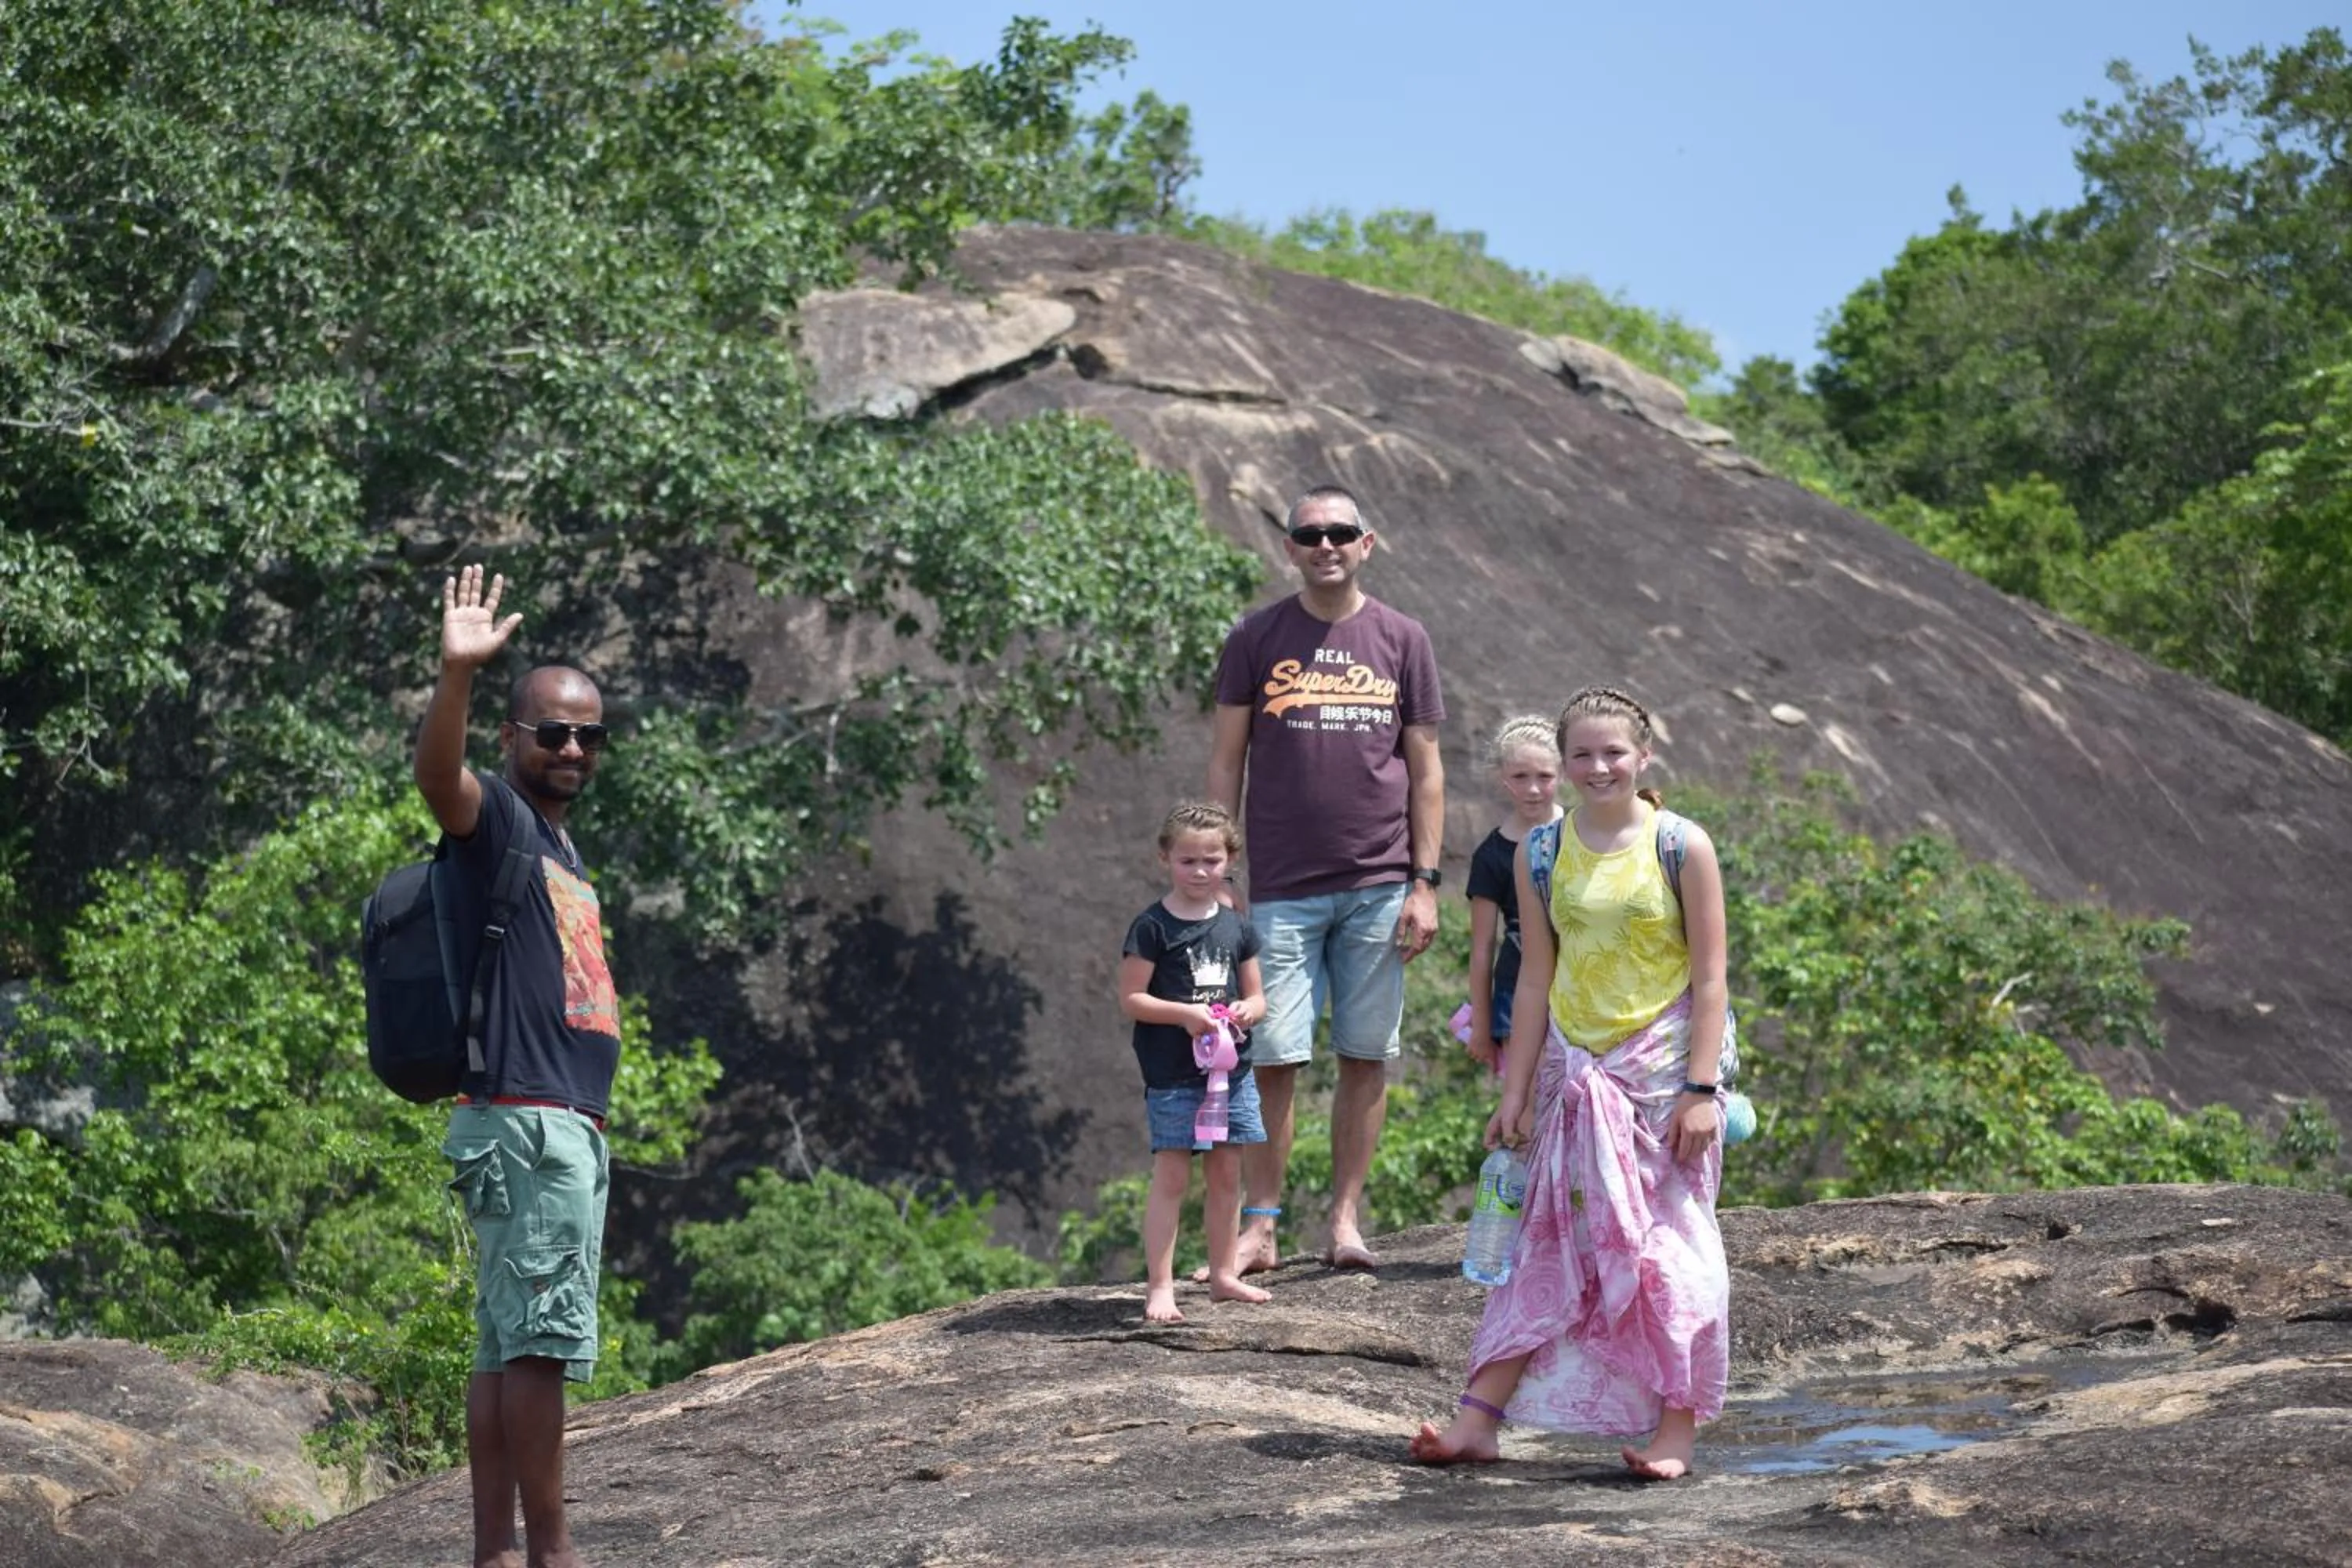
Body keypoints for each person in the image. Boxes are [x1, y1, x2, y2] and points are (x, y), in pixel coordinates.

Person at [1410, 685, 1733, 1481]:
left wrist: (1701, 1088)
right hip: (1571, 1065)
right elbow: (1534, 979)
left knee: (1671, 1250)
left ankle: (1675, 1432)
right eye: (1581, 754)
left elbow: (1713, 975)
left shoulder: (1681, 844)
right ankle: (1476, 1424)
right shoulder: (1541, 852)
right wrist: (1514, 1092)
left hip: (1659, 1074)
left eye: (1613, 752)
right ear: (1563, 763)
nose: (1597, 767)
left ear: (1644, 755)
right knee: (1544, 1246)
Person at [415, 564, 620, 1568]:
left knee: (506, 1344)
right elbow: (436, 780)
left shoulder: (561, 848)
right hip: (529, 1120)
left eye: (589, 733)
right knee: (537, 1345)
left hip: (545, 1119)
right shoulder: (497, 814)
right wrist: (456, 673)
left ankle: (498, 1551)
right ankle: (552, 1552)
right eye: (553, 731)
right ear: (514, 738)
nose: (572, 746)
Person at [1207, 483, 1446, 1274]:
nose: (1325, 544)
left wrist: (1425, 881)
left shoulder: (1403, 638)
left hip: (1379, 880)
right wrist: (1220, 870)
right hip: (1281, 885)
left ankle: (1345, 1220)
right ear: (1289, 547)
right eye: (1309, 534)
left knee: (1363, 1053)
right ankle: (1263, 1222)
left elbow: (1426, 769)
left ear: (1367, 542)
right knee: (1273, 1056)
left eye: (1341, 531)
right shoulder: (1256, 636)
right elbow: (1226, 758)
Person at [1118, 802, 1273, 1323]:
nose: (1201, 871)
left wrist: (1246, 1011)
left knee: (1228, 1175)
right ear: (1165, 858)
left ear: (1229, 859)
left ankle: (1224, 1274)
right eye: (1188, 861)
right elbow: (1132, 999)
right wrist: (1185, 1015)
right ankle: (1160, 1285)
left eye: (1212, 860)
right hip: (1174, 1077)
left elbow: (1258, 998)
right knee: (1172, 1178)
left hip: (1232, 1075)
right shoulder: (1152, 928)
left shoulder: (1237, 928)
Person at [1457, 714, 1563, 1072]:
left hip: (1583, 983)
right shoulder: (1491, 855)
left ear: (1562, 774)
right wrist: (1482, 1027)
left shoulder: (1585, 834)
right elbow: (1483, 946)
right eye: (1521, 777)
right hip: (1517, 990)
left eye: (1544, 777)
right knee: (1528, 1109)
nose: (1533, 789)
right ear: (1503, 780)